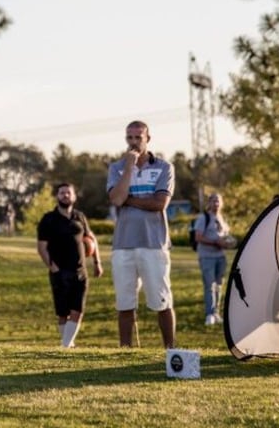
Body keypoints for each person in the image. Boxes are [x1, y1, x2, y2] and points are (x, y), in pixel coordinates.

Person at [107, 120, 176, 348]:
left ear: (148, 139)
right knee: (125, 303)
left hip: (153, 244)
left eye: (138, 137)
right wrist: (129, 167)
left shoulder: (164, 167)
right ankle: (125, 350)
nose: (134, 142)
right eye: (130, 137)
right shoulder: (117, 168)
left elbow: (159, 203)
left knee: (162, 300)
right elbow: (117, 199)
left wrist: (130, 200)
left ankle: (170, 350)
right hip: (123, 245)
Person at [36, 183, 103, 348]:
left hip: (80, 271)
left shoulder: (80, 217)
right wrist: (53, 268)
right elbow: (42, 247)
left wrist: (97, 262)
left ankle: (65, 345)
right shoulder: (48, 219)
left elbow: (91, 239)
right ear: (57, 196)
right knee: (63, 313)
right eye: (62, 193)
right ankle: (67, 344)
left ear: (74, 197)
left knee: (78, 310)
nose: (65, 195)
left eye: (68, 193)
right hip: (59, 272)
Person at [194, 192, 229, 325]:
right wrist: (215, 242)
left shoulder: (221, 218)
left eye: (218, 201)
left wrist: (228, 242)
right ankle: (209, 314)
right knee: (209, 285)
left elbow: (223, 236)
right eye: (214, 201)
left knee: (219, 286)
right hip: (207, 257)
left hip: (220, 256)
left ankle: (216, 313)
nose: (216, 204)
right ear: (209, 203)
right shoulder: (204, 218)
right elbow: (198, 237)